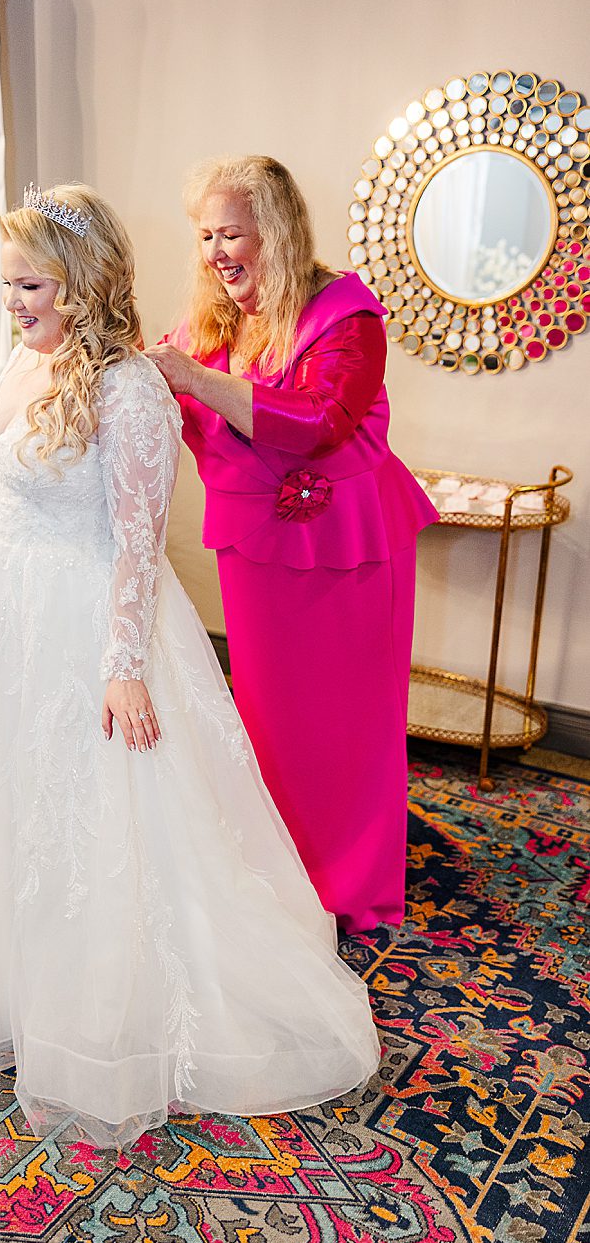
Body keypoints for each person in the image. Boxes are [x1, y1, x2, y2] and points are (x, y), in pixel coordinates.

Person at [0, 181, 381, 1150]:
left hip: (89, 625)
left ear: (84, 283)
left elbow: (137, 543)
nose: (15, 303)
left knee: (100, 819)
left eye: (32, 285)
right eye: (8, 284)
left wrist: (122, 664)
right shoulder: (19, 358)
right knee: (1, 802)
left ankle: (99, 1012)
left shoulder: (130, 388)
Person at [146, 155, 437, 936]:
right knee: (270, 718)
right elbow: (158, 381)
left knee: (348, 720)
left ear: (274, 231)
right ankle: (280, 865)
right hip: (256, 553)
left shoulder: (349, 317)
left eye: (230, 233)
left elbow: (319, 421)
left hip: (348, 551)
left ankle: (348, 880)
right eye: (205, 235)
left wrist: (193, 382)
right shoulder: (213, 321)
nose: (214, 252)